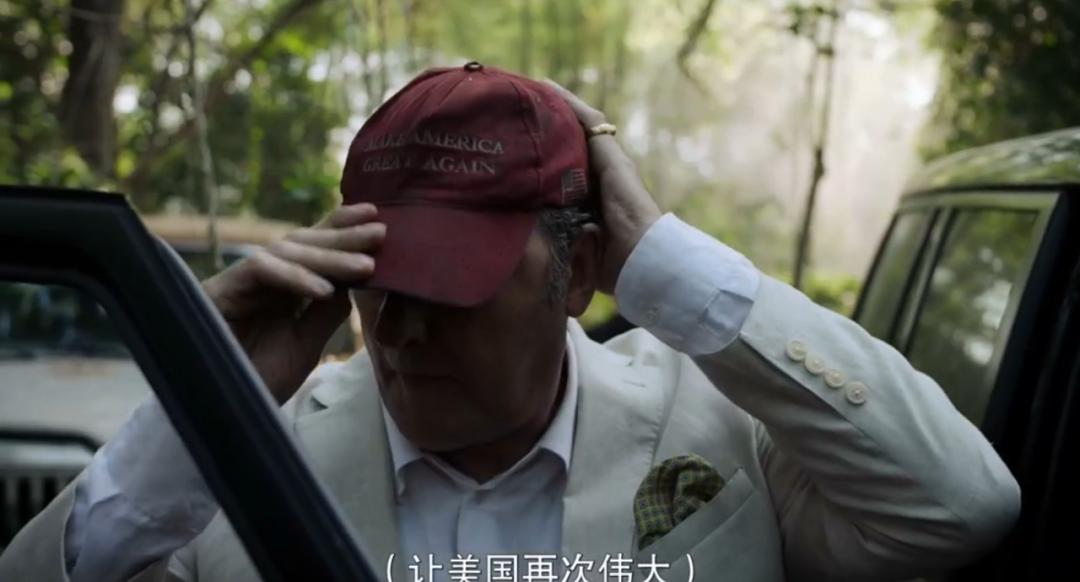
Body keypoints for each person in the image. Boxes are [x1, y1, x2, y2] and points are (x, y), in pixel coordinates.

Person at [0, 63, 1019, 582]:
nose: (397, 335)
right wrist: (203, 393)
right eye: (378, 282)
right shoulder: (243, 466)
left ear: (581, 271)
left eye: (450, 290)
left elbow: (960, 508)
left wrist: (664, 258)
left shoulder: (723, 428)